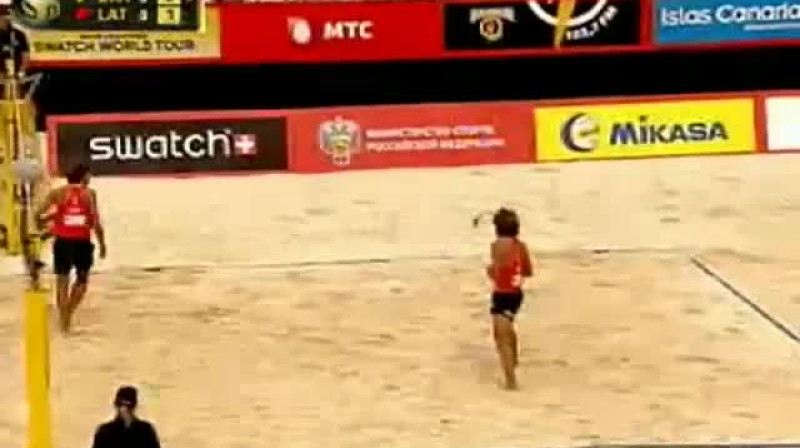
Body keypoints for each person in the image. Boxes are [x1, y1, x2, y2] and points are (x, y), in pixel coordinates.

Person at [35, 163, 107, 333]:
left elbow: (39, 214)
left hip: (63, 241)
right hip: (81, 241)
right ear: (84, 176)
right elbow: (95, 221)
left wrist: (49, 224)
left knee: (62, 280)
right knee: (82, 281)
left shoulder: (58, 193)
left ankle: (64, 320)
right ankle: (68, 312)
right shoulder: (89, 194)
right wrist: (102, 244)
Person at [486, 208, 533, 390]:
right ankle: (514, 360)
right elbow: (528, 271)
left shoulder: (496, 246)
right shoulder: (520, 246)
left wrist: (492, 271)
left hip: (502, 294)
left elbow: (496, 271)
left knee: (501, 338)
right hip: (516, 294)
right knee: (508, 326)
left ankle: (511, 381)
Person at [91, 386, 162, 448]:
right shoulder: (105, 432)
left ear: (134, 407)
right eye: (121, 405)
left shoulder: (146, 431)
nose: (124, 409)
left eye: (128, 406)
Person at [0, 5, 30, 77]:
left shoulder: (19, 34)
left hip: (16, 73)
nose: (5, 20)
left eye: (7, 17)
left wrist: (22, 71)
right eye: (2, 17)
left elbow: (25, 54)